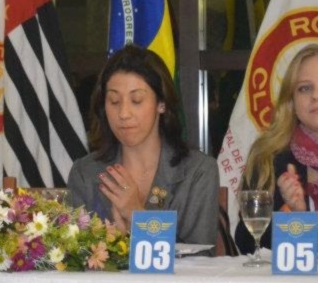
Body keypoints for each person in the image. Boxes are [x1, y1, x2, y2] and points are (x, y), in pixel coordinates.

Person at [67, 44, 219, 245]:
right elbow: (73, 253)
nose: (123, 113)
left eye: (137, 100)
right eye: (114, 101)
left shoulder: (197, 171)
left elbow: (202, 255)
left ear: (161, 104)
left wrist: (137, 216)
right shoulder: (85, 172)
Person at [235, 43, 318, 253]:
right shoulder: (267, 157)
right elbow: (248, 243)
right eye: (305, 88)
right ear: (291, 100)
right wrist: (295, 217)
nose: (317, 95)